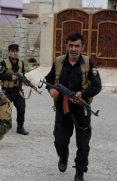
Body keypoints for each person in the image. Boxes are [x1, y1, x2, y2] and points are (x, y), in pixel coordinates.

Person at [44, 33, 101, 181]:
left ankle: (80, 170)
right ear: (66, 46)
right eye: (71, 45)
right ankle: (63, 156)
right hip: (63, 108)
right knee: (60, 140)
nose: (74, 49)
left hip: (81, 108)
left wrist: (82, 93)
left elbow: (97, 86)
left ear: (82, 47)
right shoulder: (59, 61)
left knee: (83, 143)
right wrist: (51, 90)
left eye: (77, 46)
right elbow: (49, 79)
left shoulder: (88, 63)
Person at [0, 44, 29, 135]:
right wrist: (10, 77)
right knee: (4, 110)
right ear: (9, 52)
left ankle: (20, 127)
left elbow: (23, 75)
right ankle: (1, 126)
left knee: (21, 109)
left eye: (16, 51)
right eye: (13, 51)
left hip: (18, 90)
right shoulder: (4, 63)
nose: (15, 53)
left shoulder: (21, 63)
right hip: (7, 91)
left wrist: (26, 81)